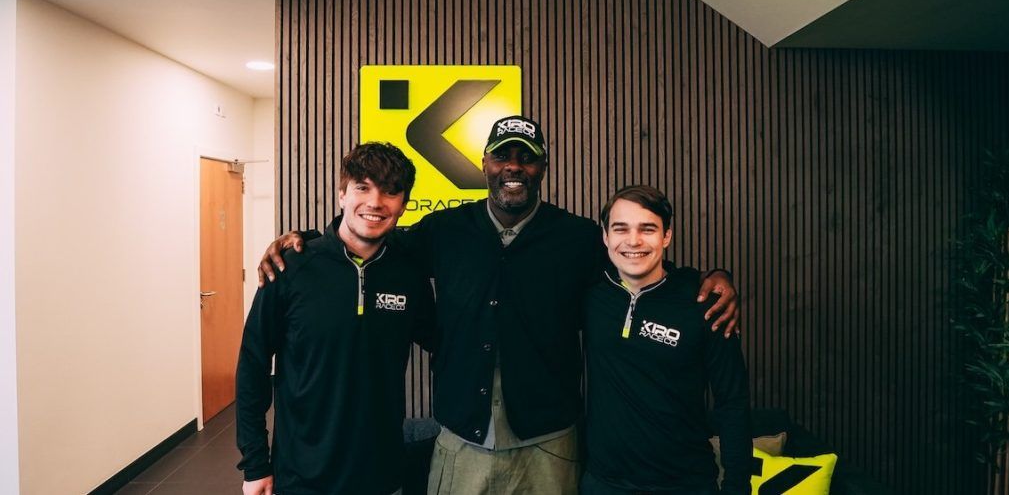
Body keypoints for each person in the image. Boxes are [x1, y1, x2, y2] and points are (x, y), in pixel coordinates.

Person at [258, 116, 739, 494]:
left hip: (549, 441)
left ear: (542, 167)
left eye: (526, 158)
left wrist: (711, 277)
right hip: (462, 439)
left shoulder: (576, 238)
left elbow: (637, 261)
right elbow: (371, 237)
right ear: (485, 163)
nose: (514, 166)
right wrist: (309, 240)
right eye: (503, 155)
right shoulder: (446, 230)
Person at [236, 142, 435, 495]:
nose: (376, 202)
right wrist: (255, 464)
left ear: (403, 205)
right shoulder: (290, 267)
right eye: (363, 187)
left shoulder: (409, 274)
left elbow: (444, 340)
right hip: (301, 475)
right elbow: (253, 364)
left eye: (390, 192)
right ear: (342, 194)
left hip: (381, 475)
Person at [582, 186, 752, 494]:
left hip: (685, 484)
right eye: (621, 229)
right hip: (603, 484)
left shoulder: (706, 304)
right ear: (605, 237)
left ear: (666, 237)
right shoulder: (590, 295)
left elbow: (733, 402)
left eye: (647, 229)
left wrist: (737, 487)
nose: (633, 241)